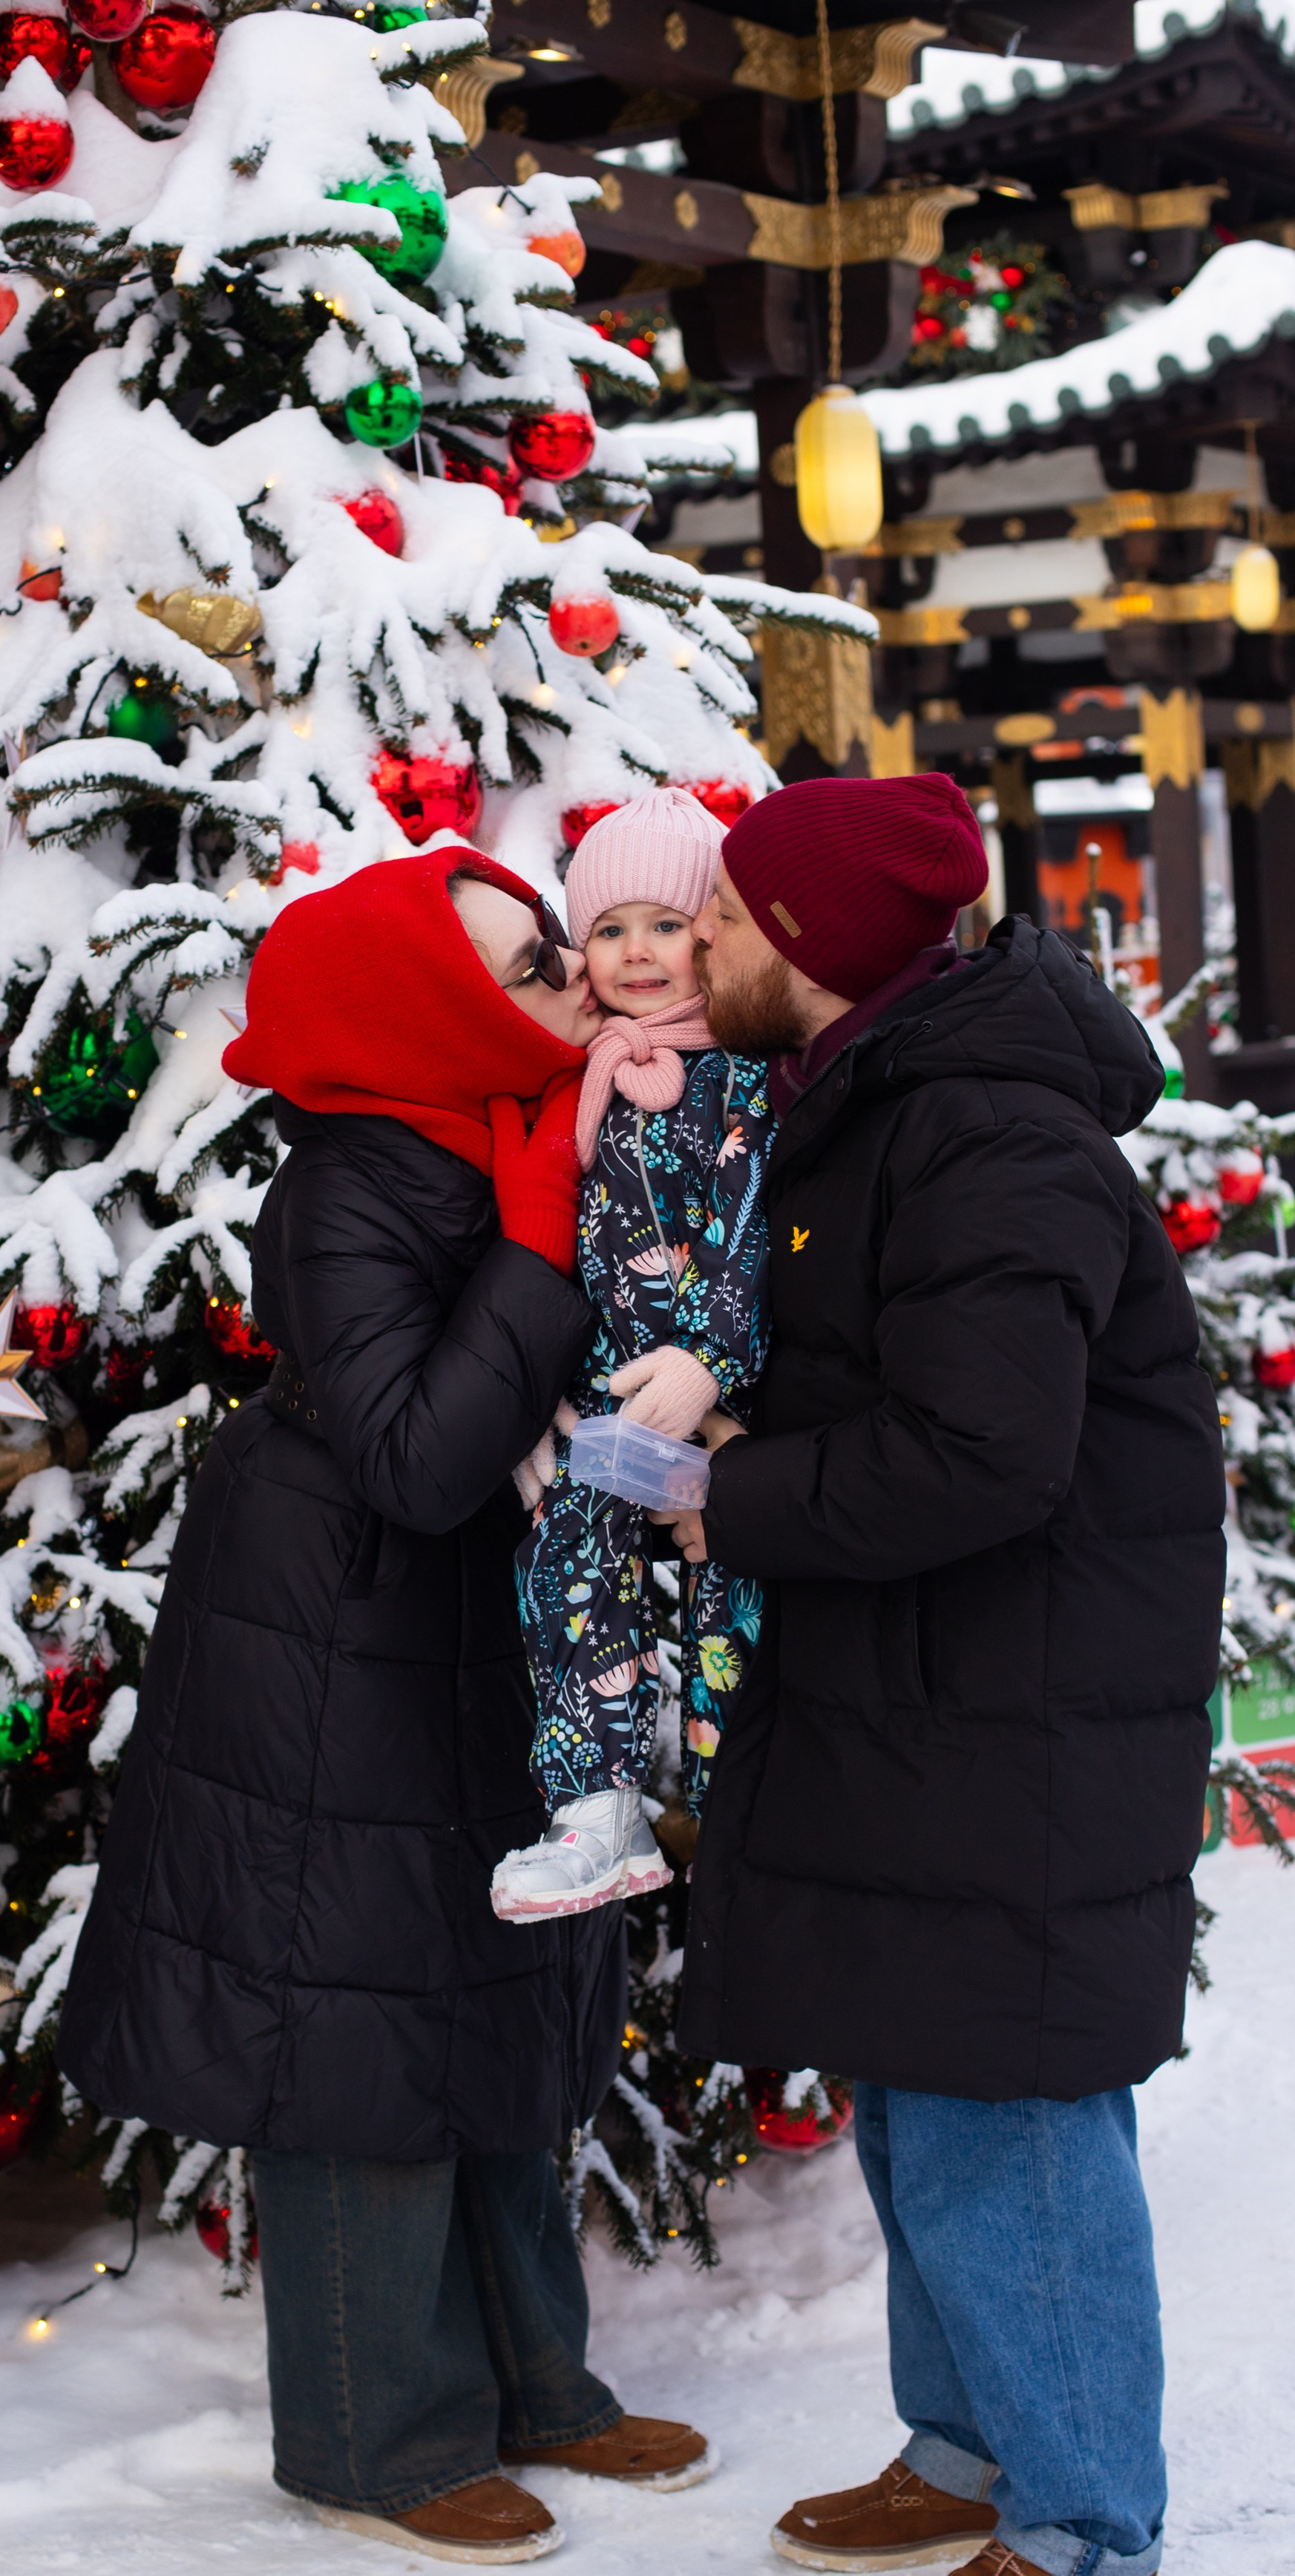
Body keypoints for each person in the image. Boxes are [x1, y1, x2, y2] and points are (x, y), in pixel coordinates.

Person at [57, 847, 711, 2569]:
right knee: (360, 2024)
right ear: (419, 1007)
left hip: (474, 1638)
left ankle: (535, 2385)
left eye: (559, 944)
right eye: (523, 962)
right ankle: (374, 2431)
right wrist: (529, 1249)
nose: (574, 972)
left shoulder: (516, 1133)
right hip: (340, 1643)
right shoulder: (354, 1184)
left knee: (503, 1996)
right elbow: (418, 1458)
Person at [660, 773, 1224, 2576]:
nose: (697, 949)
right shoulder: (880, 1107)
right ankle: (967, 2445)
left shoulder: (980, 1132)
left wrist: (726, 1497)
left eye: (727, 919)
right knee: (918, 2076)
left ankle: (1081, 2519)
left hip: (1023, 1707)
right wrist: (754, 1450)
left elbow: (987, 1451)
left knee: (1010, 2102)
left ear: (809, 951)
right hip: (930, 1688)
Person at [494, 787, 773, 1918]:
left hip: (722, 1396)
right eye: (609, 930)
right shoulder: (586, 1076)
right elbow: (552, 1238)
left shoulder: (744, 1071)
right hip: (610, 1404)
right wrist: (534, 1399)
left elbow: (753, 1228)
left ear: (710, 932)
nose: (638, 953)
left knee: (730, 1592)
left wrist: (713, 1360)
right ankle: (597, 1805)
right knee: (567, 1566)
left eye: (666, 924)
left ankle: (733, 1805)